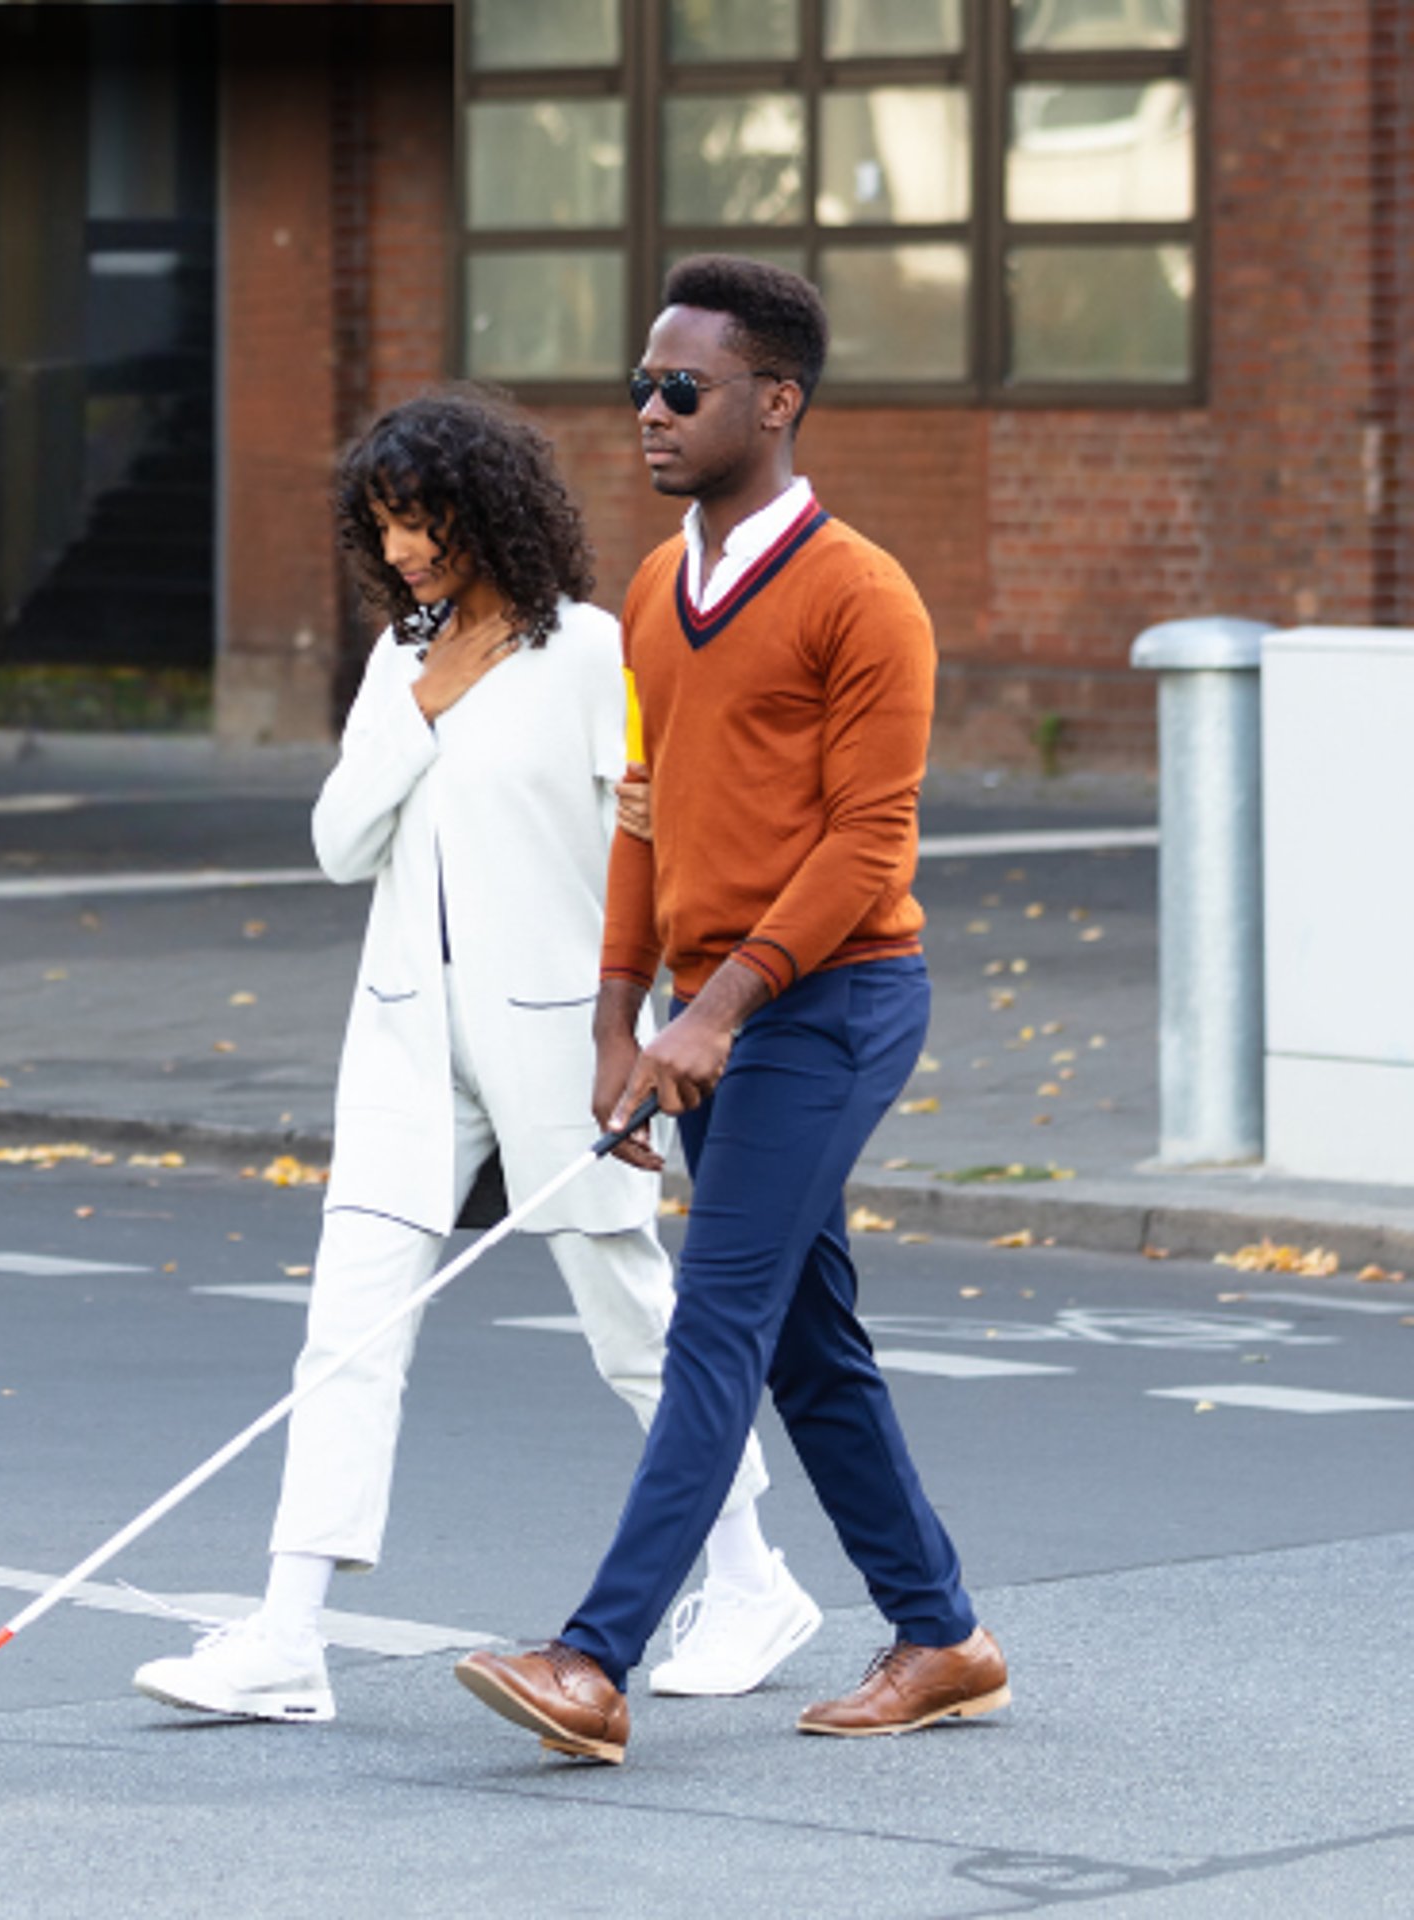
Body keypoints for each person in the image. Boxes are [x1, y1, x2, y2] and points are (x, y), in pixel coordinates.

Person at [134, 390, 807, 1725]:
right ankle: (286, 1631)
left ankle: (750, 1576)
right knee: (348, 1331)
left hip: (566, 1043)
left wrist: (658, 1028)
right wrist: (422, 703)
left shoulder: (594, 657)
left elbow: (653, 848)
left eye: (422, 521)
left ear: (487, 510)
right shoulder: (401, 661)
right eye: (382, 527)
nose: (402, 552)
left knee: (633, 1323)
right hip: (402, 1037)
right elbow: (339, 845)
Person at [455, 259, 1008, 1764]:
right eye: (639, 385)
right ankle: (943, 1635)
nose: (648, 410)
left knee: (716, 1320)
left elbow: (865, 846)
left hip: (835, 1004)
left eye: (678, 388)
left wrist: (725, 1012)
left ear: (775, 401)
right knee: (806, 1340)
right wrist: (617, 1021)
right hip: (711, 1009)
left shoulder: (861, 593)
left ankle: (593, 1659)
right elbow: (641, 816)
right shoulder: (650, 590)